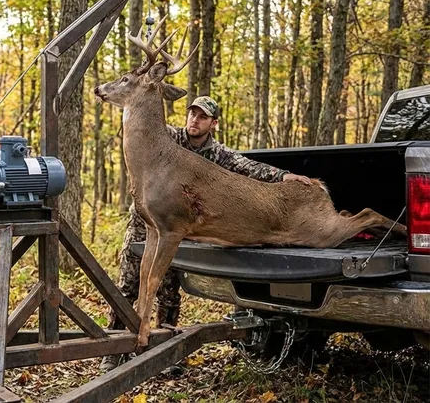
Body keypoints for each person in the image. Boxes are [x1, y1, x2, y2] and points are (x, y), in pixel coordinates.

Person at [100, 96, 312, 372]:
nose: (194, 121)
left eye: (201, 117)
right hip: (146, 221)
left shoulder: (218, 154)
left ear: (213, 123)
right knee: (129, 283)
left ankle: (163, 350)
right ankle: (115, 350)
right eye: (192, 114)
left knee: (168, 289)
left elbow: (248, 167)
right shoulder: (170, 138)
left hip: (181, 227)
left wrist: (283, 176)